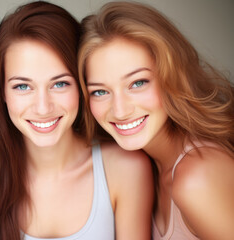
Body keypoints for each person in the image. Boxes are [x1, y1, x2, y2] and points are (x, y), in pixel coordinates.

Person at [0, 1, 153, 239]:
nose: (43, 107)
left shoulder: (125, 168)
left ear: (82, 84)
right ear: (1, 91)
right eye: (23, 86)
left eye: (60, 83)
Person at [78, 2, 234, 240]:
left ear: (172, 76)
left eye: (138, 83)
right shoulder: (143, 164)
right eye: (100, 91)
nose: (120, 111)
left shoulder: (198, 176)